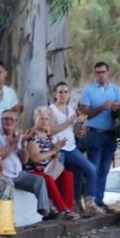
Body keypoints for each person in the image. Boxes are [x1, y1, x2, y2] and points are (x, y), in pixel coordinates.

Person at [77, 61, 120, 214]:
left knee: (104, 169)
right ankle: (89, 201)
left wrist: (116, 110)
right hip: (94, 133)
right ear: (94, 74)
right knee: (93, 168)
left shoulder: (115, 90)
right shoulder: (88, 90)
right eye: (97, 72)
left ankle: (99, 201)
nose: (100, 75)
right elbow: (85, 112)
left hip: (110, 134)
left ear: (107, 72)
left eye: (103, 72)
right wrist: (102, 108)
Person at [46, 81, 98, 215]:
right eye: (60, 92)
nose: (63, 94)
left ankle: (90, 201)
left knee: (91, 169)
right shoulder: (51, 109)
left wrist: (79, 125)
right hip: (58, 148)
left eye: (65, 92)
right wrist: (69, 121)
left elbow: (71, 131)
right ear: (55, 94)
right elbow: (50, 130)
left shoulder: (71, 109)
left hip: (71, 147)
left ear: (69, 94)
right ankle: (53, 206)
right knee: (55, 175)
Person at [0, 109, 52, 218]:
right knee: (7, 186)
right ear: (1, 121)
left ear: (16, 122)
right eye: (5, 119)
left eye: (11, 119)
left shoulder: (18, 135)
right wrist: (15, 141)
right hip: (3, 174)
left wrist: (23, 144)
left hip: (18, 173)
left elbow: (24, 160)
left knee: (40, 180)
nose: (8, 122)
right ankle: (4, 219)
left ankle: (44, 211)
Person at [25, 106, 75, 218]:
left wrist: (56, 152)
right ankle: (62, 209)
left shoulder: (48, 135)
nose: (44, 121)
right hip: (34, 170)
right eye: (41, 118)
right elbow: (35, 158)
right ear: (35, 119)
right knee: (47, 179)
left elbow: (52, 155)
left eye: (47, 119)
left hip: (47, 169)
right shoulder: (32, 135)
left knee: (68, 175)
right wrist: (53, 151)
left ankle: (68, 209)